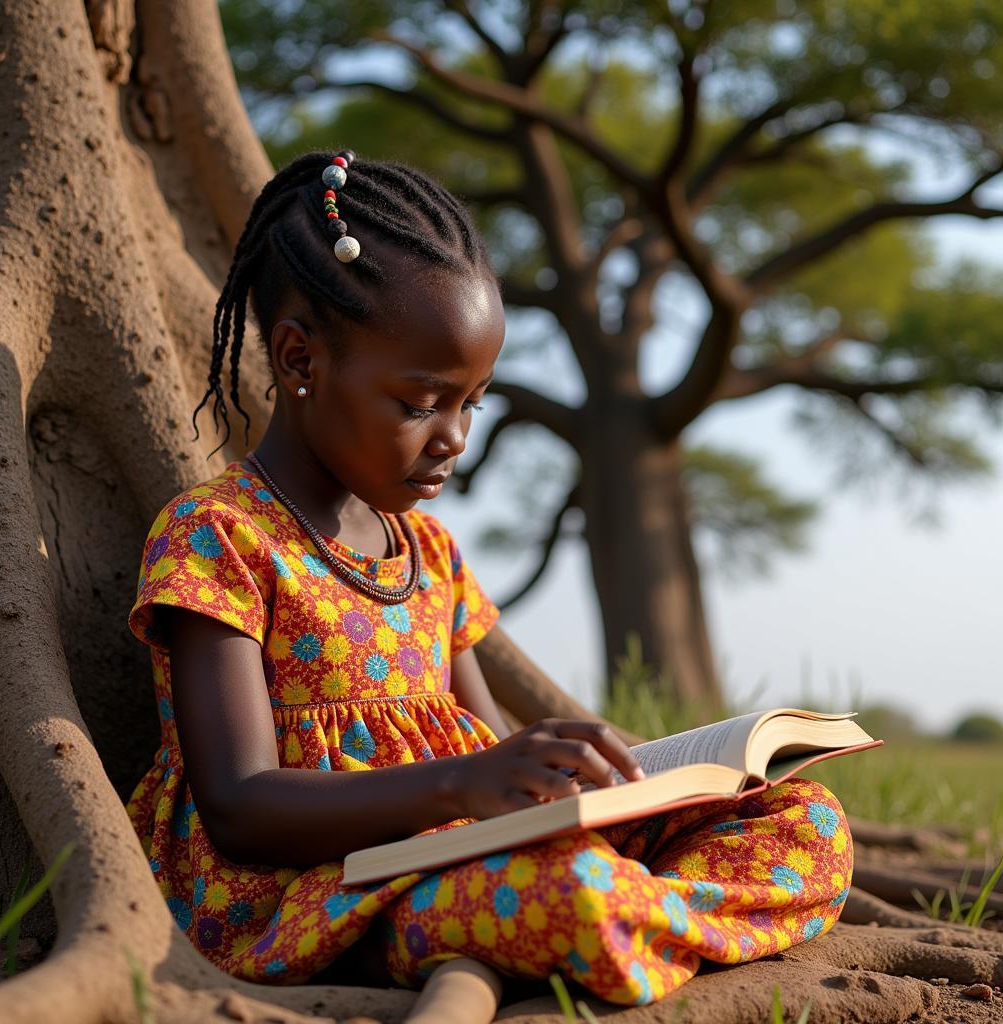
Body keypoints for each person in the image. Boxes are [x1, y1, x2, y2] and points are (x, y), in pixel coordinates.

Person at [125, 149, 853, 1007]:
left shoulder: (428, 554)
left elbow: (483, 739)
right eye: (422, 403)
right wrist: (460, 786)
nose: (455, 438)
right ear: (298, 360)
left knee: (808, 824)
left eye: (473, 402)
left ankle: (614, 922)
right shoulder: (221, 537)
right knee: (570, 892)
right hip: (315, 894)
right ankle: (596, 925)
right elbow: (240, 808)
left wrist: (588, 783)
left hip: (473, 855)